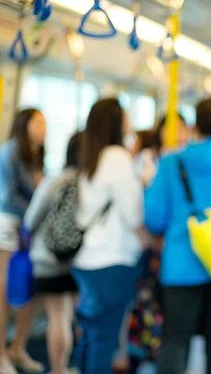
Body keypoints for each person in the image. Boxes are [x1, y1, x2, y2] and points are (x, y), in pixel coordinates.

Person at [145, 98, 211, 374]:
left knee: (175, 341)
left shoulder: (171, 162)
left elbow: (154, 218)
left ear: (194, 125)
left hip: (181, 264)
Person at [72, 98, 143, 374]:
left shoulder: (92, 154)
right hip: (112, 260)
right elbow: (132, 212)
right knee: (105, 338)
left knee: (90, 333)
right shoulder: (117, 156)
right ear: (116, 120)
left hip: (86, 258)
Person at [24, 132, 81, 374]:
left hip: (49, 257)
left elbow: (31, 218)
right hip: (77, 258)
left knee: (56, 317)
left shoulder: (57, 180)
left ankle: (57, 370)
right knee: (67, 315)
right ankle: (67, 365)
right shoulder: (88, 181)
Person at [0, 108, 46, 374]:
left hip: (29, 228)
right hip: (9, 226)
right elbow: (6, 197)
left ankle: (18, 347)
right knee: (4, 290)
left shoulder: (37, 155)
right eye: (38, 122)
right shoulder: (10, 152)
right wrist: (34, 208)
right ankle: (2, 353)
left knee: (31, 288)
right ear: (24, 124)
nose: (43, 128)